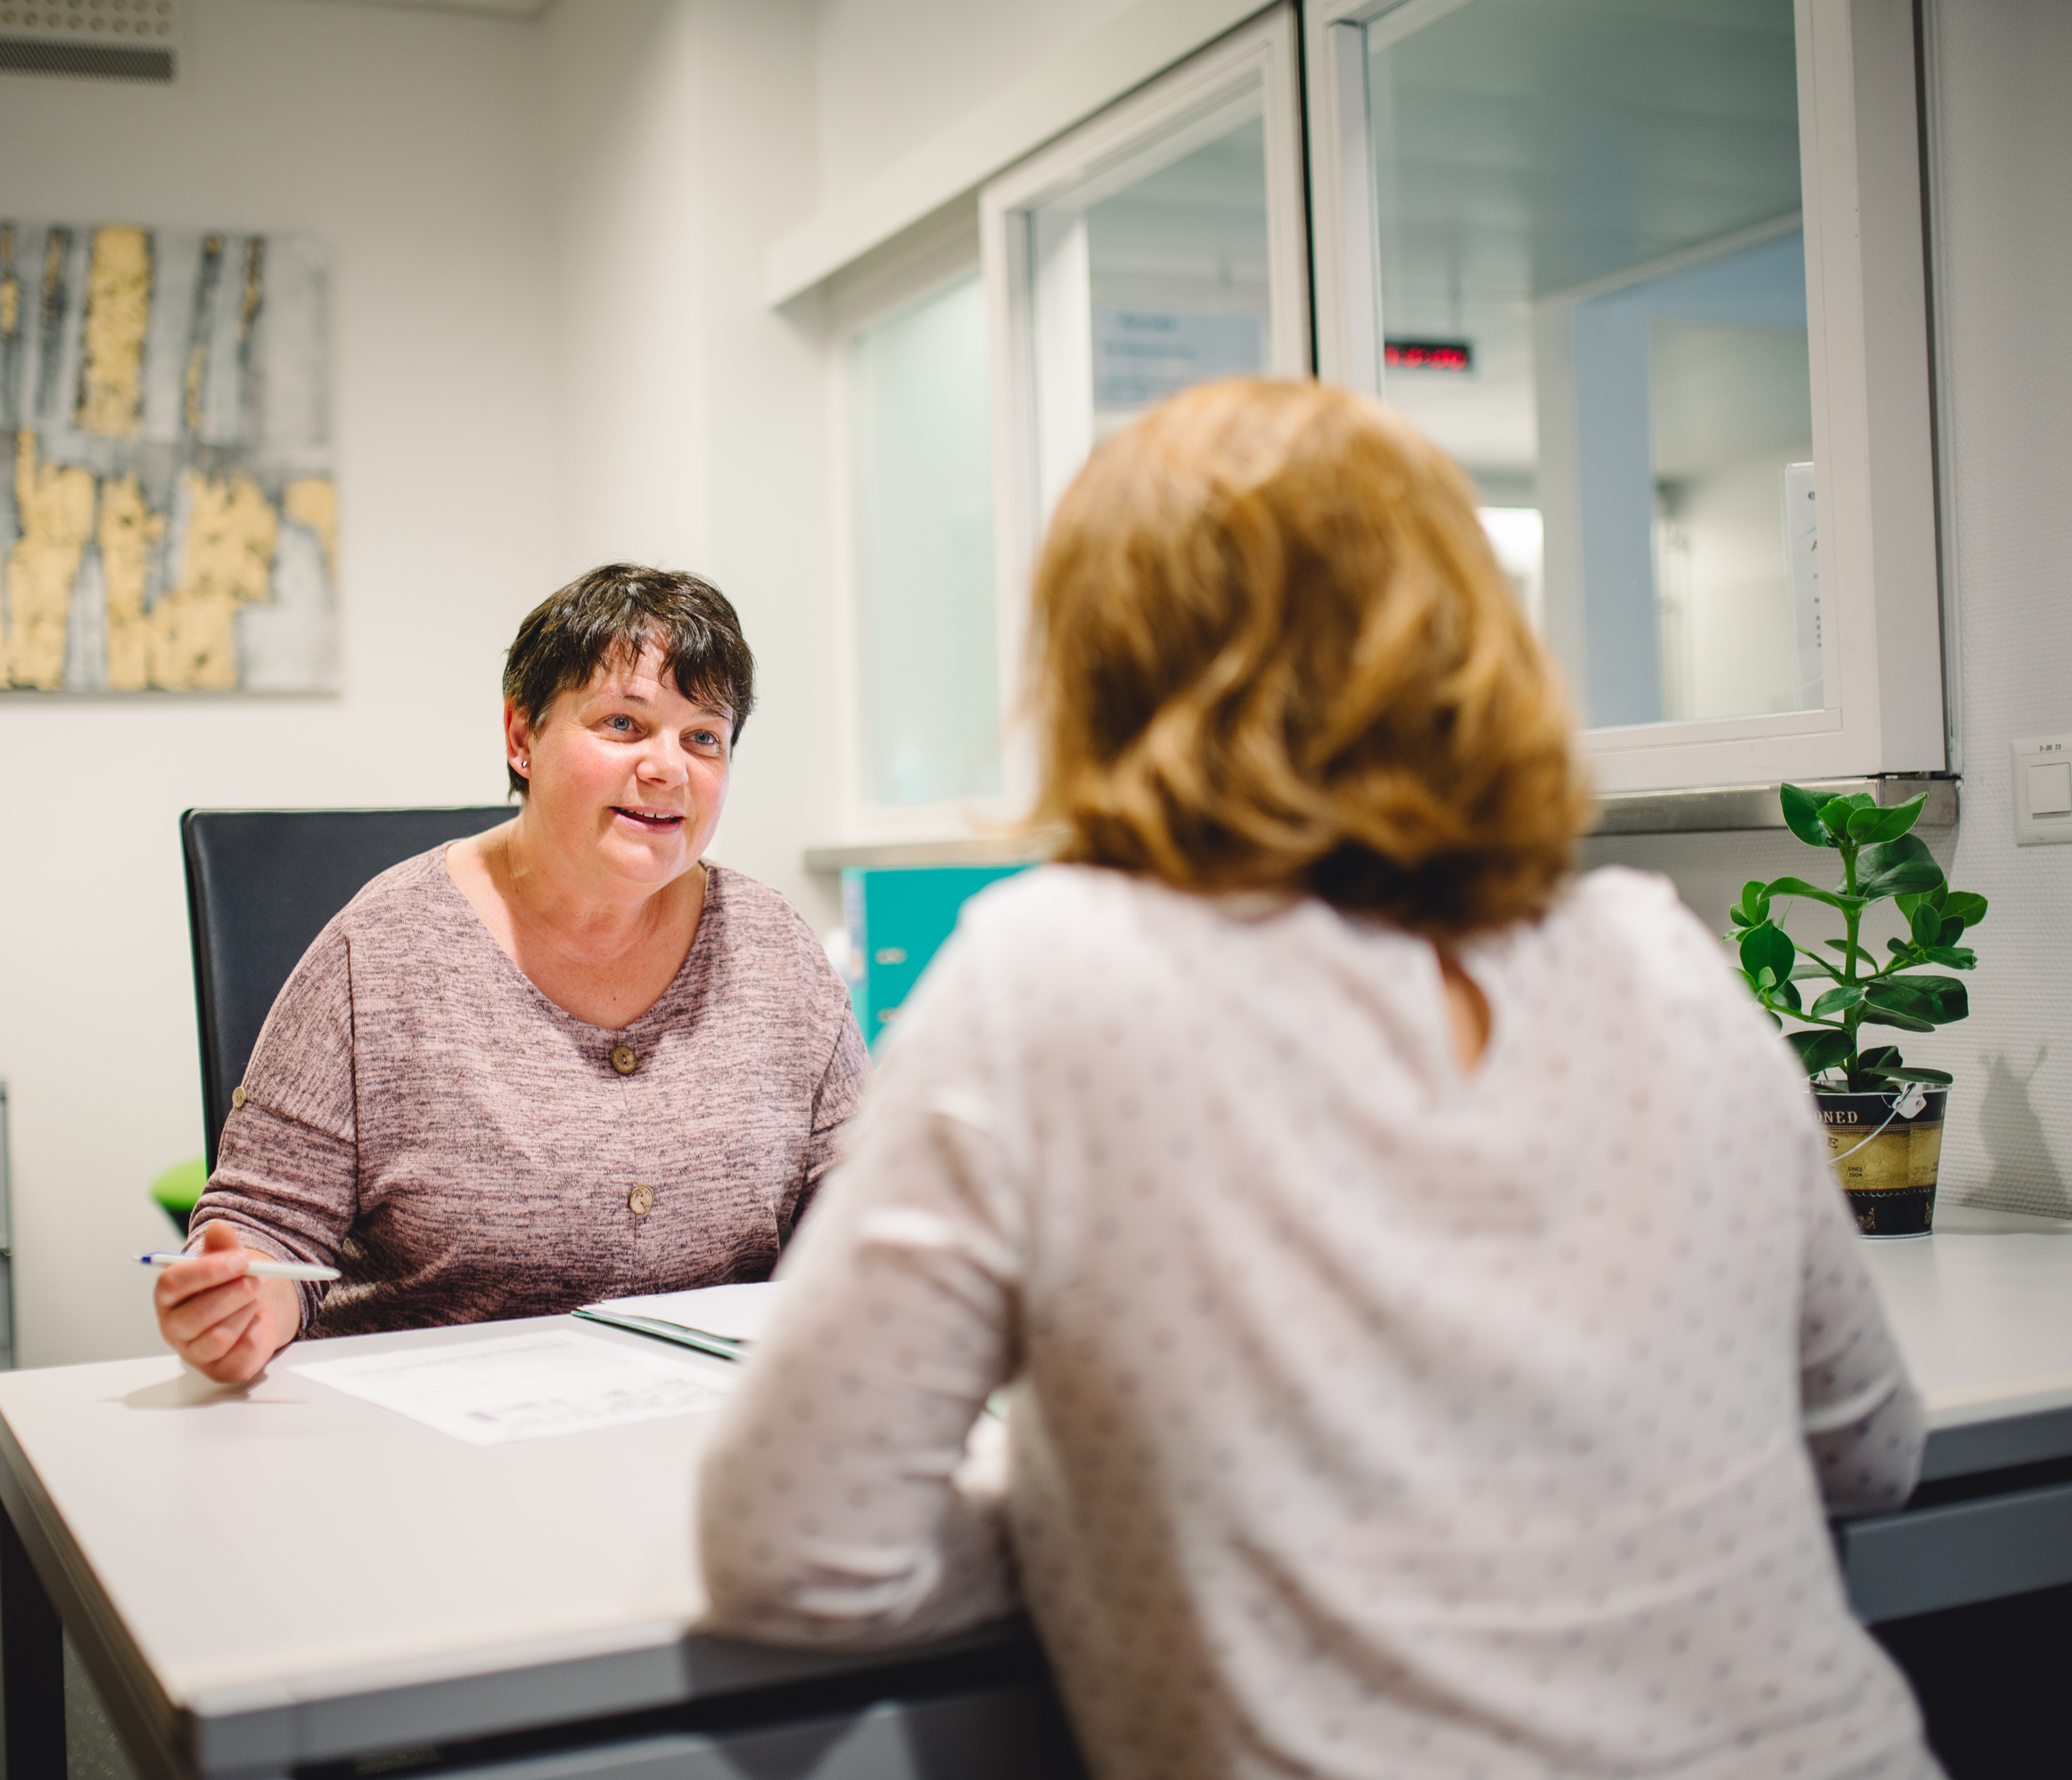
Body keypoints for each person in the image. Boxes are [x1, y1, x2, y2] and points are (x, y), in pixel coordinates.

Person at [697, 381, 1936, 1778]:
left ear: (1104, 667)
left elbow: (799, 1547)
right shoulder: (1655, 955)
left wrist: (1104, 1512)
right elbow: (1869, 1451)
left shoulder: (1061, 977)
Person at [156, 564, 866, 1380]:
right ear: (522, 737)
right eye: (624, 724)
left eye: (704, 736)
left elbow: (856, 1200)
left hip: (701, 1439)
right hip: (422, 1448)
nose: (669, 767)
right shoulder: (382, 948)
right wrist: (242, 1303)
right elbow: (267, 1230)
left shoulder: (772, 944)